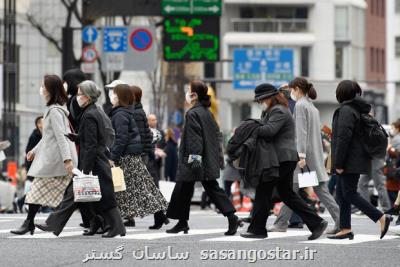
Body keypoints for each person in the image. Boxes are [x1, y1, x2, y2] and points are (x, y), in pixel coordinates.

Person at [240, 83, 328, 240]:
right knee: (287, 194)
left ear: (269, 98)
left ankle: (257, 229)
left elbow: (269, 131)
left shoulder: (279, 111)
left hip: (281, 159)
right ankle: (316, 223)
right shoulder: (275, 110)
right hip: (282, 158)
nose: (260, 103)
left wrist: (249, 127)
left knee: (263, 191)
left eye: (261, 100)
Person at [166, 80, 242, 236]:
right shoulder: (207, 113)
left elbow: (195, 139)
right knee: (194, 189)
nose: (187, 93)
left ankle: (231, 217)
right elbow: (216, 136)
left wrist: (194, 161)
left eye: (189, 90)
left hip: (194, 161)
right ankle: (183, 222)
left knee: (191, 190)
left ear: (194, 95)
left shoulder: (193, 113)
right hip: (206, 159)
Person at [269, 77, 340, 235]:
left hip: (303, 159)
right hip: (313, 156)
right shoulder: (311, 106)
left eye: (292, 89)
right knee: (311, 191)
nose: (291, 92)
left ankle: (281, 223)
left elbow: (300, 133)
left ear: (298, 89)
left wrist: (300, 155)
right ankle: (340, 222)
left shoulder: (300, 106)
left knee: (292, 190)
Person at [11, 74, 78, 235]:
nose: (41, 89)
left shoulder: (54, 111)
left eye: (44, 86)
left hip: (56, 161)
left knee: (38, 191)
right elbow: (48, 136)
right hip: (54, 160)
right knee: (74, 195)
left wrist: (67, 160)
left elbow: (61, 137)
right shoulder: (53, 109)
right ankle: (100, 219)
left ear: (50, 90)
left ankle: (29, 223)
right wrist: (33, 150)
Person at [328, 80, 391, 240]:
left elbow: (343, 138)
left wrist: (339, 163)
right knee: (342, 195)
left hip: (349, 161)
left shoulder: (346, 111)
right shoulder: (356, 110)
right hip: (355, 159)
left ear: (340, 93)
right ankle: (345, 228)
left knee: (349, 193)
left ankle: (381, 217)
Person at [109, 84, 168, 229]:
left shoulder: (123, 113)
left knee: (136, 188)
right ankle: (158, 214)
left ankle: (158, 213)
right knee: (140, 187)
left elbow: (122, 138)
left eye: (115, 93)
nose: (112, 96)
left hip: (129, 155)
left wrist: (113, 156)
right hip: (135, 154)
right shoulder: (131, 111)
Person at [73, 80, 125, 237]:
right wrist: (77, 137)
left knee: (105, 196)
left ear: (87, 97)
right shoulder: (95, 111)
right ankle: (105, 225)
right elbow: (93, 137)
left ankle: (118, 227)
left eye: (80, 94)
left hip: (96, 161)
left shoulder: (89, 115)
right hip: (100, 158)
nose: (77, 97)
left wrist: (86, 169)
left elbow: (91, 145)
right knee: (99, 196)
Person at [130, 85, 169, 229]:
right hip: (144, 154)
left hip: (140, 155)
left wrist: (143, 154)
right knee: (147, 188)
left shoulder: (136, 113)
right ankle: (160, 216)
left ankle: (160, 215)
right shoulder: (138, 111)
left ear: (133, 96)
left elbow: (139, 136)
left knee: (146, 188)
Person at [357, 109, 391, 212]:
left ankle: (386, 208)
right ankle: (367, 208)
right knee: (362, 183)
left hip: (376, 158)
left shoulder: (372, 126)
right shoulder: (374, 125)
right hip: (371, 158)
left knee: (379, 183)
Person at [148, 114, 166, 185]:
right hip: (149, 160)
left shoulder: (161, 132)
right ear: (148, 121)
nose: (155, 121)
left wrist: (162, 150)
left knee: (157, 180)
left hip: (158, 161)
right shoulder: (146, 132)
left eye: (155, 120)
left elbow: (164, 144)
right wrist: (154, 151)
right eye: (152, 120)